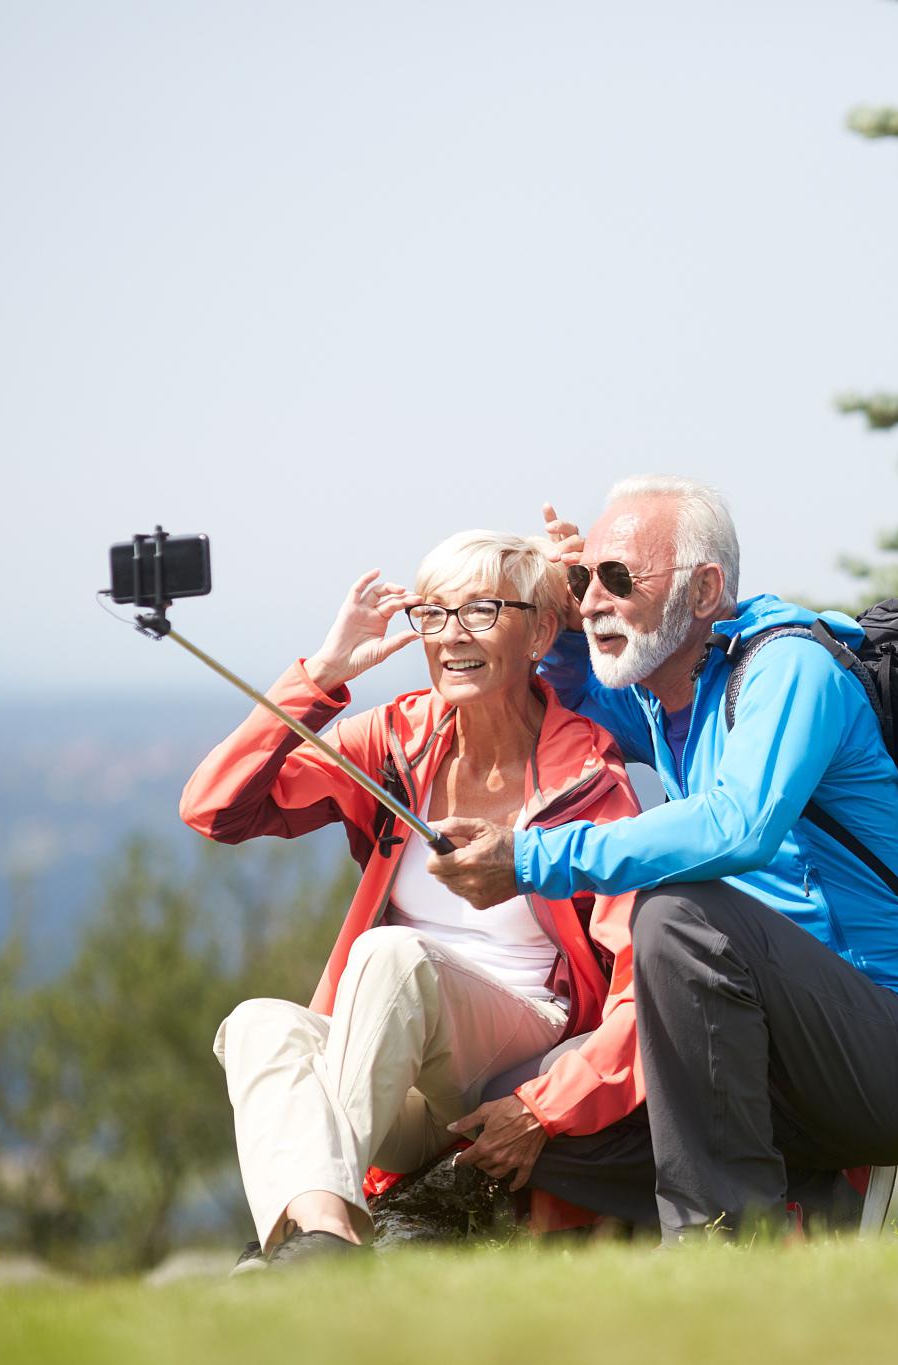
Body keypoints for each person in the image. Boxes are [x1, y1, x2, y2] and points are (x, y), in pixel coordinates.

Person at [429, 476, 898, 1239]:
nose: (592, 601)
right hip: (774, 1039)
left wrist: (528, 857)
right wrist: (550, 596)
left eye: (618, 579)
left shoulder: (790, 670)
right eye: (586, 582)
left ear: (706, 588)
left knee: (678, 916)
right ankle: (807, 1206)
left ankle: (721, 1245)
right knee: (532, 1114)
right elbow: (567, 689)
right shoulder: (663, 694)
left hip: (892, 1054)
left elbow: (736, 824)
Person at [182, 530, 643, 1267]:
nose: (450, 635)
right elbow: (216, 808)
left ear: (541, 632)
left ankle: (300, 1240)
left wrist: (548, 1107)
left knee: (391, 951)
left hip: (513, 1053)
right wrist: (323, 671)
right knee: (258, 1023)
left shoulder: (587, 779)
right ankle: (326, 1239)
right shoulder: (398, 740)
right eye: (430, 613)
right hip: (391, 1062)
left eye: (481, 610)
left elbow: (640, 986)